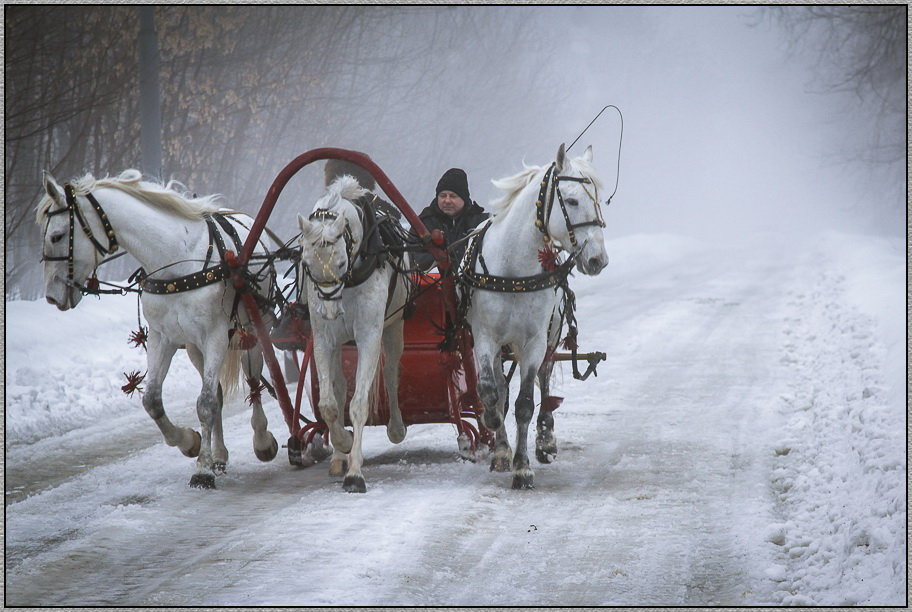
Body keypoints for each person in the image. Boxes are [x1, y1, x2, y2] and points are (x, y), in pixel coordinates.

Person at [413, 167, 489, 271]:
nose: (447, 201)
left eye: (453, 196)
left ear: (464, 199)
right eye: (443, 195)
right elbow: (414, 257)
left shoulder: (481, 224)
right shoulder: (422, 224)